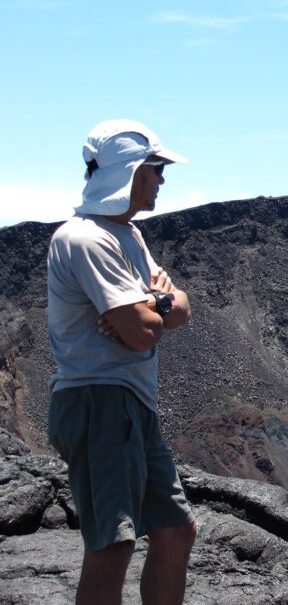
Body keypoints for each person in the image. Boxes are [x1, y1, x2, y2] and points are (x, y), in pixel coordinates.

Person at [46, 120, 197, 605]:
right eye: (155, 169)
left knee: (176, 530)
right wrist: (155, 307)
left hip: (132, 401)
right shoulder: (86, 240)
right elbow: (144, 334)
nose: (162, 180)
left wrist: (156, 305)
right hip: (99, 399)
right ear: (128, 171)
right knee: (113, 544)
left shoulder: (127, 234)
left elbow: (180, 309)